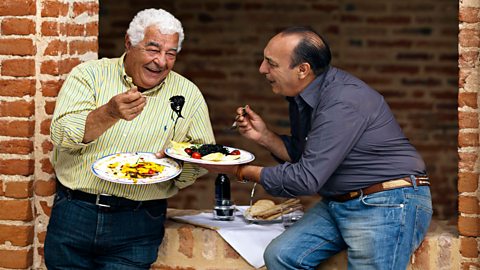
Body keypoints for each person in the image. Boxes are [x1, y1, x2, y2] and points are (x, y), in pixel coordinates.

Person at [202, 26, 432, 269]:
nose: (262, 69)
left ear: (303, 70)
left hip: (386, 201)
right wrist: (265, 136)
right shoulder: (304, 96)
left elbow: (306, 179)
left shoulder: (342, 101)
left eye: (271, 63)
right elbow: (306, 158)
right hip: (340, 202)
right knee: (282, 256)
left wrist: (240, 171)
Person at [44, 9, 214, 269]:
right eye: (153, 49)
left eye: (171, 53)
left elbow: (204, 155)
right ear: (129, 43)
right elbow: (61, 134)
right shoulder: (89, 75)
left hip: (139, 218)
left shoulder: (187, 94)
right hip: (75, 211)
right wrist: (108, 113)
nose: (161, 62)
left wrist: (175, 167)